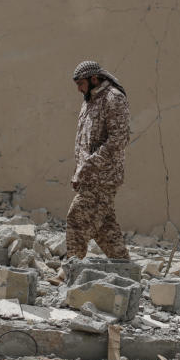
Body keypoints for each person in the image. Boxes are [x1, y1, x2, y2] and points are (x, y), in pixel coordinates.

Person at [66, 60, 131, 260]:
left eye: (81, 83)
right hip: (89, 176)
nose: (78, 89)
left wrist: (89, 166)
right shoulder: (90, 100)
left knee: (76, 218)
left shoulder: (114, 98)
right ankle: (125, 270)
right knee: (105, 229)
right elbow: (84, 142)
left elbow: (118, 140)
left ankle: (69, 269)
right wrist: (79, 172)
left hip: (103, 177)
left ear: (94, 79)